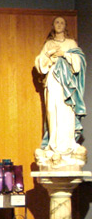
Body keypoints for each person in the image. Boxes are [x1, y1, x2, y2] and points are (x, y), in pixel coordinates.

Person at [34, 16, 87, 169]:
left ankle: (67, 146)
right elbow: (40, 63)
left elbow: (79, 62)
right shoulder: (49, 44)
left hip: (67, 83)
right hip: (52, 80)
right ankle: (53, 145)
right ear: (53, 25)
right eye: (57, 22)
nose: (59, 25)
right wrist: (49, 54)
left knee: (65, 111)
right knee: (51, 110)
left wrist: (64, 54)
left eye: (62, 22)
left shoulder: (71, 43)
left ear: (65, 26)